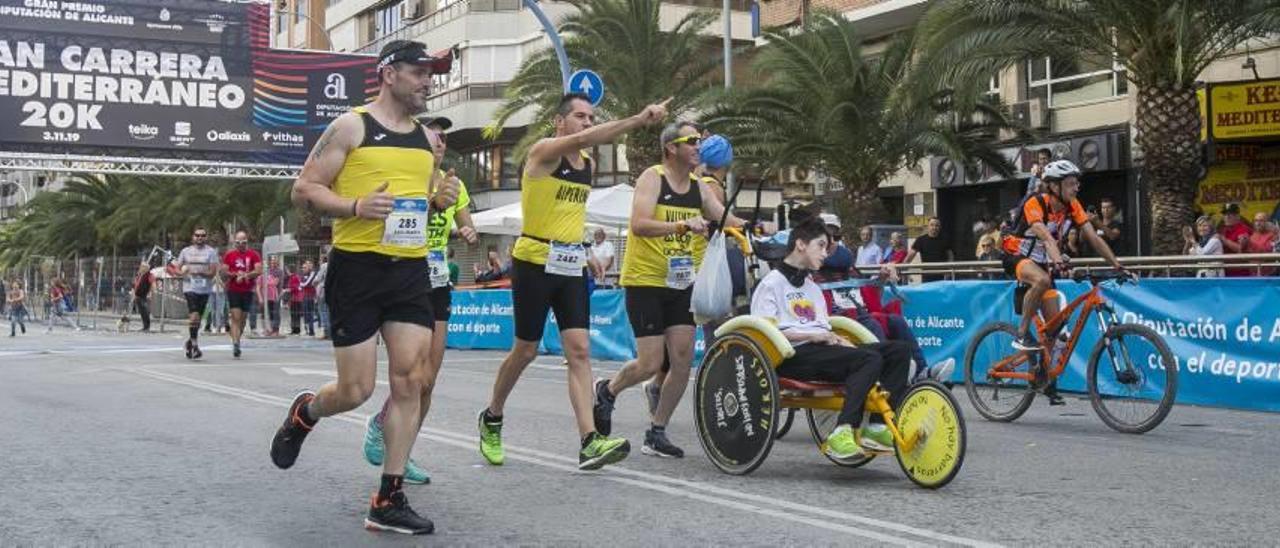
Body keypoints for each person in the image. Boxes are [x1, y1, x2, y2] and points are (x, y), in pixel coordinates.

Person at [270, 39, 458, 535]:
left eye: (432, 72)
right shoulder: (352, 126)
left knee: (411, 379)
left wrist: (441, 199)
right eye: (420, 71)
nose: (428, 80)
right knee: (356, 390)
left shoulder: (425, 140)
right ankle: (306, 412)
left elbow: (422, 199)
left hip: (409, 269)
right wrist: (355, 207)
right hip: (357, 268)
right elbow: (305, 188)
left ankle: (388, 496)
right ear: (389, 73)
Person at [477, 92, 669, 471]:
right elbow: (582, 141)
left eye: (591, 117)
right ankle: (492, 416)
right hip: (533, 260)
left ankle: (588, 441)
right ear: (559, 122)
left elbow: (569, 213)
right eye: (580, 116)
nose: (587, 123)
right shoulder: (544, 152)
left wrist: (585, 256)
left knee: (579, 350)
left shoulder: (585, 165)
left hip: (569, 264)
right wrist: (636, 119)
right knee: (525, 350)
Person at [593, 121, 742, 458]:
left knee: (682, 360)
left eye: (700, 142)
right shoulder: (653, 177)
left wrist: (758, 229)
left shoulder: (698, 188)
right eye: (692, 141)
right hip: (646, 280)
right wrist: (681, 224)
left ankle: (656, 432)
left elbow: (724, 218)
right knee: (649, 363)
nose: (699, 147)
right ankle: (608, 389)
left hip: (682, 283)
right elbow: (639, 224)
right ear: (671, 147)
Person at [362, 113, 477, 485]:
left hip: (437, 278)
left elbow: (465, 220)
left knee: (428, 380)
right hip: (404, 278)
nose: (441, 141)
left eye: (445, 136)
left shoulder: (453, 184)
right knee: (410, 377)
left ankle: (404, 451)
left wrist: (469, 230)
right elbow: (393, 223)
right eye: (434, 135)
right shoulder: (404, 178)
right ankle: (384, 428)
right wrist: (431, 204)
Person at [751, 217, 912, 458]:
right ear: (801, 245)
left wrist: (839, 340)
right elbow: (764, 333)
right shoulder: (771, 284)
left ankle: (877, 427)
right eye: (821, 246)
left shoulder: (811, 287)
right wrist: (814, 336)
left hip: (821, 350)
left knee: (898, 350)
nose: (826, 254)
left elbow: (824, 327)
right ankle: (842, 431)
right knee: (868, 360)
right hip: (790, 355)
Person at [1000, 160, 1126, 404]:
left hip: (1042, 260)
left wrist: (1117, 265)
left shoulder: (1072, 206)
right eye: (1070, 184)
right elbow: (1046, 237)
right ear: (1054, 186)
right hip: (1015, 254)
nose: (1076, 188)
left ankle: (1044, 378)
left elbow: (1093, 238)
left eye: (1077, 183)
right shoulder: (1034, 203)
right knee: (1043, 279)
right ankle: (1022, 334)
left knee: (1055, 329)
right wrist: (1059, 263)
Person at [176, 227, 219, 358]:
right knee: (194, 316)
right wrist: (182, 273)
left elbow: (212, 273)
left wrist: (200, 272)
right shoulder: (185, 251)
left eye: (202, 236)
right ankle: (195, 345)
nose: (200, 238)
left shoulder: (211, 252)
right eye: (197, 235)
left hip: (205, 289)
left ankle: (190, 342)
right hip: (190, 288)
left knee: (198, 319)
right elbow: (176, 269)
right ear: (193, 237)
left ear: (206, 237)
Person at [222, 231, 263, 357]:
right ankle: (235, 344)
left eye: (243, 242)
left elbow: (258, 270)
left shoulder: (254, 254)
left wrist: (246, 275)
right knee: (236, 317)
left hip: (247, 290)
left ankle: (237, 339)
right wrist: (235, 274)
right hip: (234, 289)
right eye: (238, 242)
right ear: (235, 242)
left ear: (247, 241)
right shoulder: (229, 255)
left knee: (243, 319)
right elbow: (224, 271)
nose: (241, 244)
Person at [903, 217, 953, 282]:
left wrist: (948, 271)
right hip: (926, 276)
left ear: (940, 227)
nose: (934, 227)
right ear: (928, 226)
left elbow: (950, 256)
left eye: (937, 225)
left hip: (942, 276)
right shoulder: (921, 240)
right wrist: (905, 271)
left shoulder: (945, 239)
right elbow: (909, 258)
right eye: (932, 225)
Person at [1218, 203, 1253, 277]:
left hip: (1240, 272)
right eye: (1225, 215)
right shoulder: (1223, 230)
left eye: (1230, 215)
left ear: (1238, 216)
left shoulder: (1243, 229)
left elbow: (1240, 249)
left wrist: (1224, 240)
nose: (1227, 217)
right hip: (1225, 271)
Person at [1247, 212, 1277, 276]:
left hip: (1269, 275)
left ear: (1267, 223)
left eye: (1261, 221)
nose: (1258, 223)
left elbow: (1267, 251)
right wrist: (1243, 244)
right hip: (1253, 274)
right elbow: (1245, 254)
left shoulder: (1273, 235)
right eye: (1256, 221)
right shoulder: (1252, 235)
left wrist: (1249, 243)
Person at [260, 256, 284, 336]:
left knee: (275, 312)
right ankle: (269, 329)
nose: (273, 262)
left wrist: (266, 282)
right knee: (268, 312)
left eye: (275, 261)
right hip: (267, 295)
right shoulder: (267, 271)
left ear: (277, 262)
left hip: (276, 294)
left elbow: (276, 283)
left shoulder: (279, 271)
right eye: (272, 261)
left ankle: (276, 330)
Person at [132, 262, 154, 332]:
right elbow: (136, 284)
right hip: (138, 295)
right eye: (141, 266)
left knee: (145, 311)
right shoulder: (140, 275)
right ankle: (144, 326)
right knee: (142, 312)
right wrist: (134, 293)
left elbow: (152, 284)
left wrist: (150, 293)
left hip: (144, 295)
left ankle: (147, 327)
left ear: (146, 268)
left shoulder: (149, 275)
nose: (140, 268)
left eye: (142, 267)